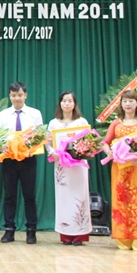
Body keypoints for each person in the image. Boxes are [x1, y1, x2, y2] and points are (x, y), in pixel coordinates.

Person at [102, 89, 137, 251]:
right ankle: (123, 240)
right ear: (121, 104)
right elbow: (105, 142)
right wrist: (109, 152)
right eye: (125, 101)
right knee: (122, 200)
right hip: (120, 167)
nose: (128, 104)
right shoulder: (116, 123)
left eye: (131, 101)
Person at [0, 81, 43, 244]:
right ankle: (9, 230)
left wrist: (32, 148)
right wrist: (1, 146)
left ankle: (31, 231)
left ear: (25, 95)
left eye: (20, 95)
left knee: (29, 196)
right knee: (9, 196)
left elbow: (40, 135)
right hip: (9, 160)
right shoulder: (3, 115)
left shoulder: (35, 113)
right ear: (10, 96)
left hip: (28, 159)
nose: (17, 98)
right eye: (14, 95)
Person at [46, 91, 92, 246]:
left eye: (70, 101)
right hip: (62, 166)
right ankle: (65, 235)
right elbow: (47, 142)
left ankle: (79, 235)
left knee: (80, 197)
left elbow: (88, 142)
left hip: (78, 166)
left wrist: (82, 151)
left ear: (74, 104)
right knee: (63, 198)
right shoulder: (53, 123)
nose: (66, 103)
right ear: (60, 103)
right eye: (64, 101)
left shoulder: (81, 122)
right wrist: (52, 152)